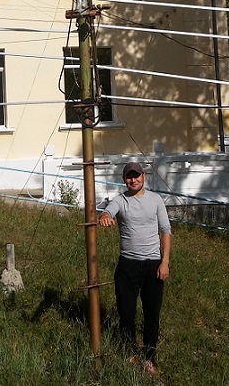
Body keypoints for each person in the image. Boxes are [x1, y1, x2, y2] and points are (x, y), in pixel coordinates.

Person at [99, 161, 171, 376]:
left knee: (151, 315)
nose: (133, 179)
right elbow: (107, 212)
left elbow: (166, 230)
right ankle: (129, 354)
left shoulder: (156, 200)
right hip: (127, 265)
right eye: (129, 176)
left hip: (153, 265)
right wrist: (104, 217)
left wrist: (164, 262)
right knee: (126, 313)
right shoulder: (120, 200)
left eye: (137, 175)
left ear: (144, 177)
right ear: (124, 179)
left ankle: (150, 359)